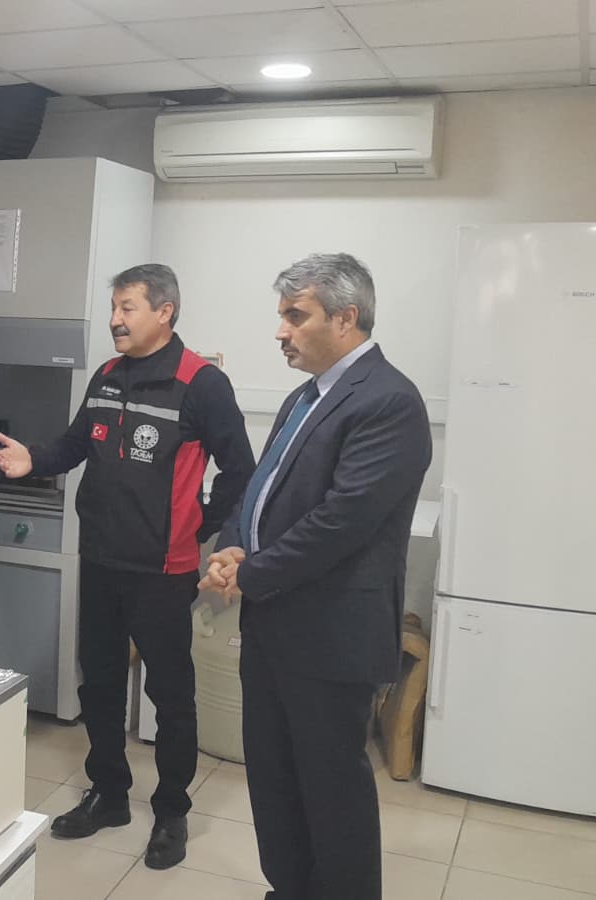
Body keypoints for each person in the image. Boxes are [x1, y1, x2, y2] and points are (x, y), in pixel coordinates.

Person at [0, 263, 254, 871]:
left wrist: (199, 525)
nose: (114, 319)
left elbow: (242, 469)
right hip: (101, 560)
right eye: (113, 307)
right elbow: (74, 446)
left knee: (171, 692)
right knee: (100, 683)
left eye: (127, 307)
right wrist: (33, 460)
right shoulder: (108, 376)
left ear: (165, 312)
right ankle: (109, 794)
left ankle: (171, 811)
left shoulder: (201, 383)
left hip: (163, 569)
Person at [202, 253, 431, 900]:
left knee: (332, 791)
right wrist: (231, 545)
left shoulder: (389, 401)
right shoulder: (306, 396)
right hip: (275, 624)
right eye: (282, 315)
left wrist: (252, 573)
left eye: (295, 316)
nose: (281, 331)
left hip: (331, 635)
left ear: (346, 317)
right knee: (274, 779)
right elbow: (261, 488)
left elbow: (342, 520)